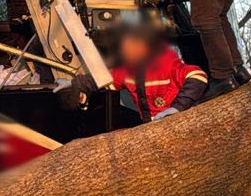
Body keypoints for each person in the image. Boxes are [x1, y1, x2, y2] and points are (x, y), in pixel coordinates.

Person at [70, 21, 207, 121]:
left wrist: (177, 108)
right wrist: (72, 83)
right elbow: (103, 79)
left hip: (178, 121)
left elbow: (198, 76)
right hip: (150, 125)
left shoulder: (167, 65)